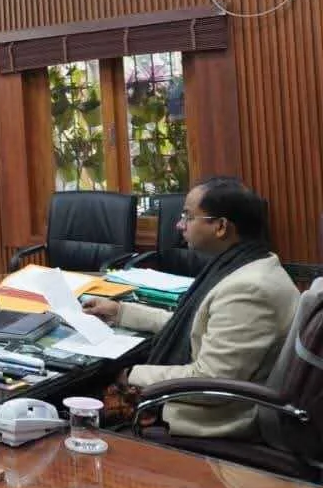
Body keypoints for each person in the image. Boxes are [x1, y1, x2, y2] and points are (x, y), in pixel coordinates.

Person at [82, 177, 298, 438]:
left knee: (78, 403)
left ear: (221, 227)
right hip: (212, 401)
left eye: (188, 216)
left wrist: (131, 375)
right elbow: (193, 326)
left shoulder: (250, 289)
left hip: (215, 419)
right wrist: (120, 312)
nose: (179, 224)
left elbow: (211, 381)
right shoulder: (249, 263)